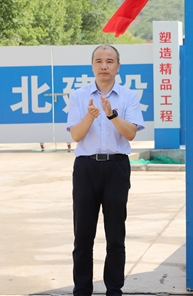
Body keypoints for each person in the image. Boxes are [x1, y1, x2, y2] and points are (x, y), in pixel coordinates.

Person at [67, 44, 145, 296]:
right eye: (99, 61)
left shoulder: (128, 96)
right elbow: (76, 135)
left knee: (115, 236)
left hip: (116, 168)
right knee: (83, 235)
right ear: (92, 66)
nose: (104, 66)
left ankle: (114, 289)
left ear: (118, 66)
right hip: (86, 168)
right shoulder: (79, 96)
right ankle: (82, 290)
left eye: (109, 61)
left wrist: (111, 115)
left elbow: (130, 133)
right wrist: (90, 116)